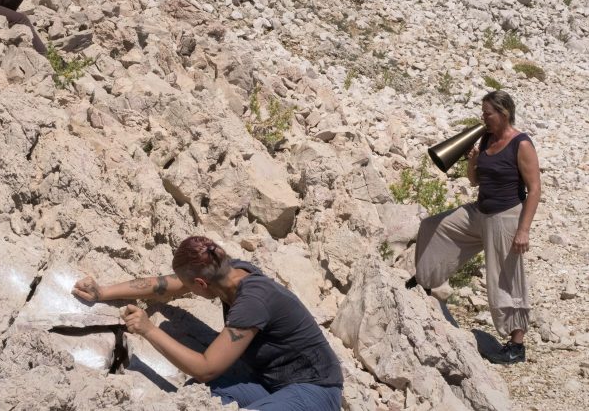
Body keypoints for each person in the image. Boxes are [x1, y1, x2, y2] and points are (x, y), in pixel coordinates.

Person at [72, 236, 344, 410]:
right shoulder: (226, 272)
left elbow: (205, 368)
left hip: (316, 390)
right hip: (269, 382)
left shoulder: (252, 301)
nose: (184, 289)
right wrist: (103, 292)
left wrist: (149, 330)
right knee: (197, 398)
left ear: (201, 284)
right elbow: (165, 285)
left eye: (190, 286)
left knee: (203, 382)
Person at [407, 90, 541, 365]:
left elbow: (535, 189)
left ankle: (516, 346)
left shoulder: (521, 144)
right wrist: (473, 160)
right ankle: (424, 280)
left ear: (503, 114)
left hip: (505, 217)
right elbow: (474, 181)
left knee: (505, 277)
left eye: (487, 113)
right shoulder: (486, 138)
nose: (483, 118)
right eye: (483, 113)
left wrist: (523, 230)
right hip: (480, 211)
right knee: (433, 226)